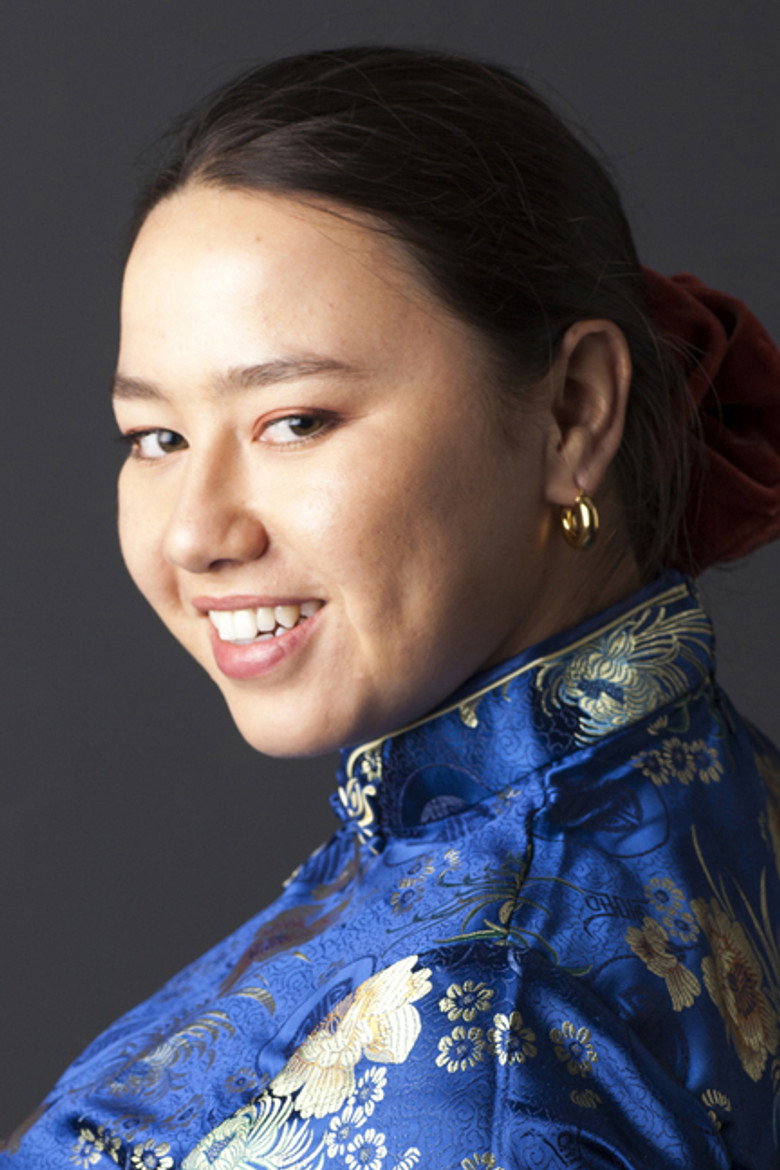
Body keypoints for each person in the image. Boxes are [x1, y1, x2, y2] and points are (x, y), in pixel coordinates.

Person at [2, 45, 780, 1170]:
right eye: (156, 437)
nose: (195, 534)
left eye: (296, 421)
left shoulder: (475, 1050)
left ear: (572, 411)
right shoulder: (701, 791)